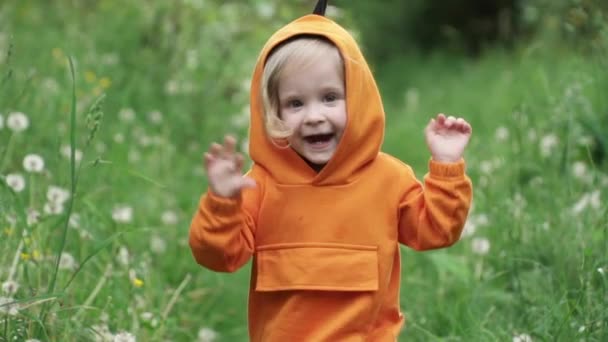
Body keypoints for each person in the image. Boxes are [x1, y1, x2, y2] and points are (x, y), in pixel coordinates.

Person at [189, 2, 473, 340]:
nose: (314, 116)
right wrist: (222, 203)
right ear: (272, 113)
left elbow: (437, 231)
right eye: (295, 103)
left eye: (329, 98)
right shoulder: (260, 187)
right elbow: (219, 256)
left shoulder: (388, 180)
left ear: (358, 99)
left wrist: (447, 168)